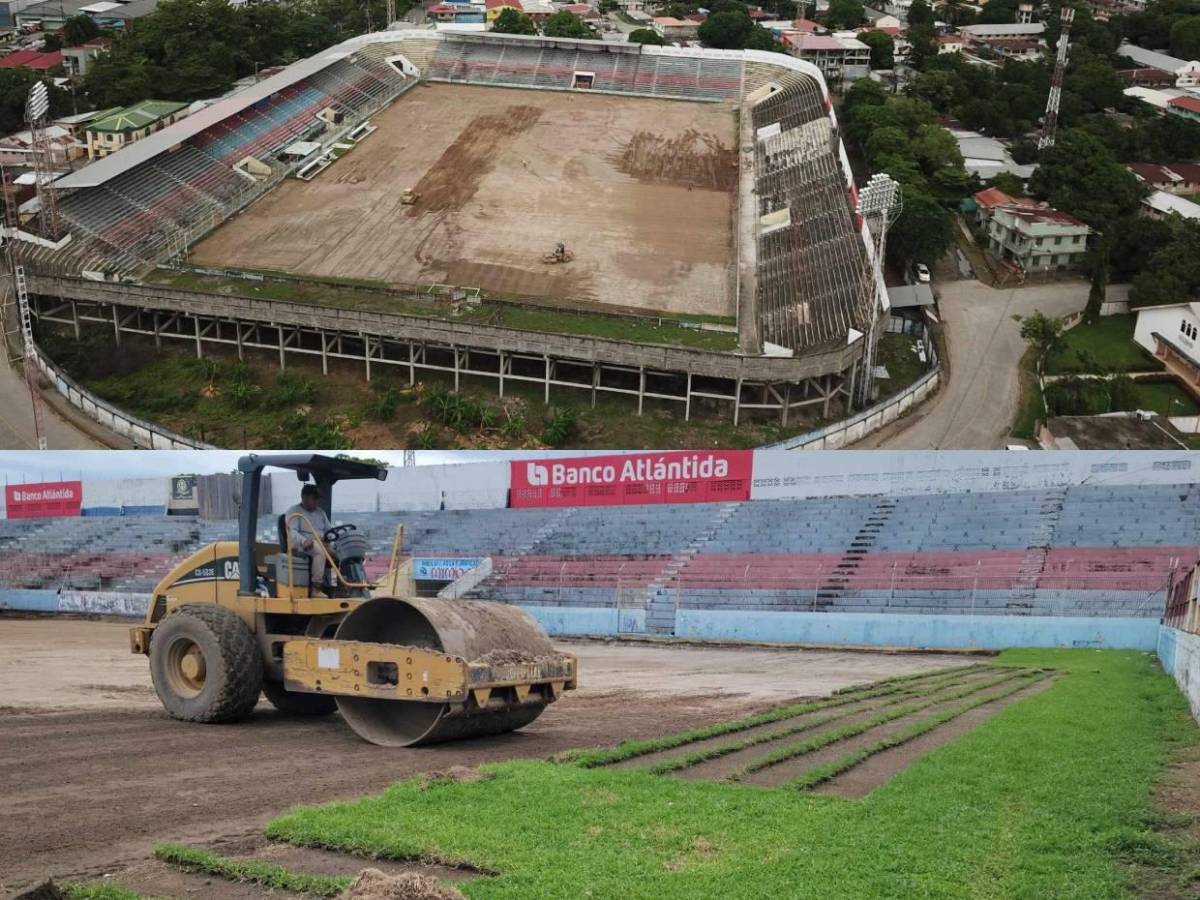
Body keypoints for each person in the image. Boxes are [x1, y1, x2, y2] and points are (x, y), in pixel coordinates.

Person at [286, 484, 331, 588]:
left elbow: (329, 530)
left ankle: (346, 585)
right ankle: (316, 587)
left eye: (317, 499)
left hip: (321, 542)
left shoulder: (320, 512)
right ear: (304, 497)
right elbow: (292, 532)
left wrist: (333, 540)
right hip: (302, 546)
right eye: (314, 498)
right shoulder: (294, 512)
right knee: (319, 551)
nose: (317, 502)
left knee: (342, 553)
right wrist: (304, 541)